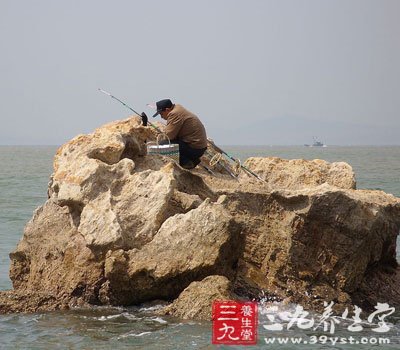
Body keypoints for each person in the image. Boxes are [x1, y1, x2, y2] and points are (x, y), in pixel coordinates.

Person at [150, 99, 208, 169]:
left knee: (163, 144)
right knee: (171, 142)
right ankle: (193, 160)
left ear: (167, 110)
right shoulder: (178, 109)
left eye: (161, 114)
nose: (161, 117)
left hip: (195, 149)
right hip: (198, 147)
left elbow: (169, 136)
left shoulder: (174, 114)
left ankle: (186, 162)